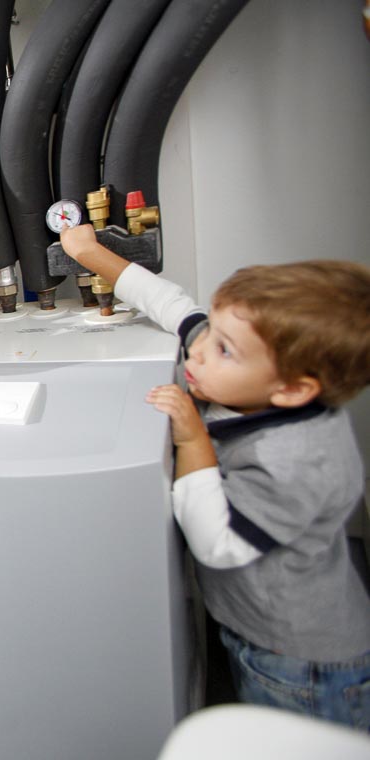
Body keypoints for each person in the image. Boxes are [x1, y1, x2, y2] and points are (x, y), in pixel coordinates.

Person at [61, 224, 370, 731]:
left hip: (298, 661)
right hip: (254, 627)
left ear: (293, 390)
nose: (198, 353)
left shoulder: (298, 461)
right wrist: (91, 253)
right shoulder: (247, 370)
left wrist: (192, 441)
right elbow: (174, 305)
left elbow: (218, 544)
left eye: (224, 350)